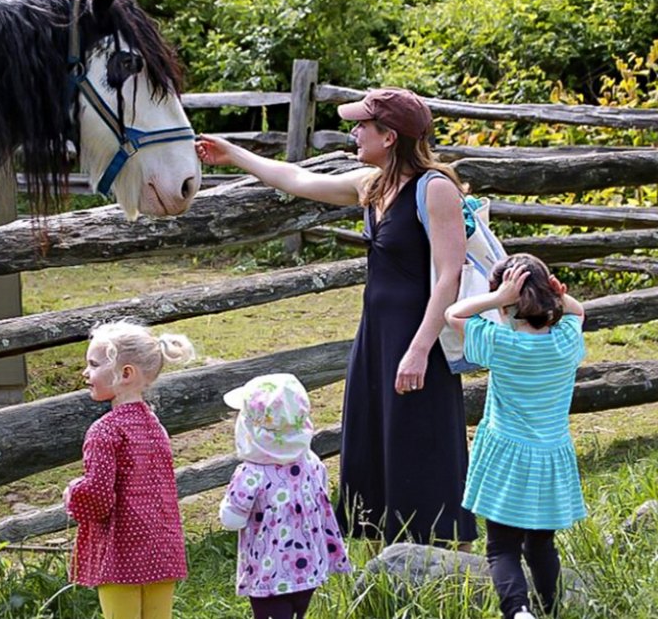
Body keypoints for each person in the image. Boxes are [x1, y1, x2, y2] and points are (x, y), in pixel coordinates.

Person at [197, 87, 478, 548]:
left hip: (416, 337)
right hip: (376, 335)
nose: (354, 132)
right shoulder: (372, 184)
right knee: (374, 433)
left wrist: (420, 349)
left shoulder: (436, 188)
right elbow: (296, 179)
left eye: (362, 125)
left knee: (423, 439)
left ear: (389, 136)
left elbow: (448, 276)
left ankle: (447, 552)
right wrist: (234, 154)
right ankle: (391, 548)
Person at [445, 254, 586, 619]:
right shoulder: (566, 341)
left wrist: (496, 298)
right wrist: (557, 295)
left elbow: (454, 314)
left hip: (507, 456)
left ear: (505, 305)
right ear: (548, 294)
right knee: (541, 544)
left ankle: (518, 611)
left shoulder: (500, 344)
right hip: (550, 456)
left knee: (501, 548)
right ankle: (549, 610)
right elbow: (578, 311)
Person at [63, 320, 196, 619]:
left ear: (125, 374)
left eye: (94, 364)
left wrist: (72, 493)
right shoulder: (155, 426)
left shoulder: (105, 431)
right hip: (163, 548)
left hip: (121, 552)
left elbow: (98, 497)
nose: (86, 372)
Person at [218, 373, 352, 619]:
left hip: (270, 575)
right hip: (308, 569)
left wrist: (227, 505)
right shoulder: (311, 463)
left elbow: (232, 520)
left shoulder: (251, 474)